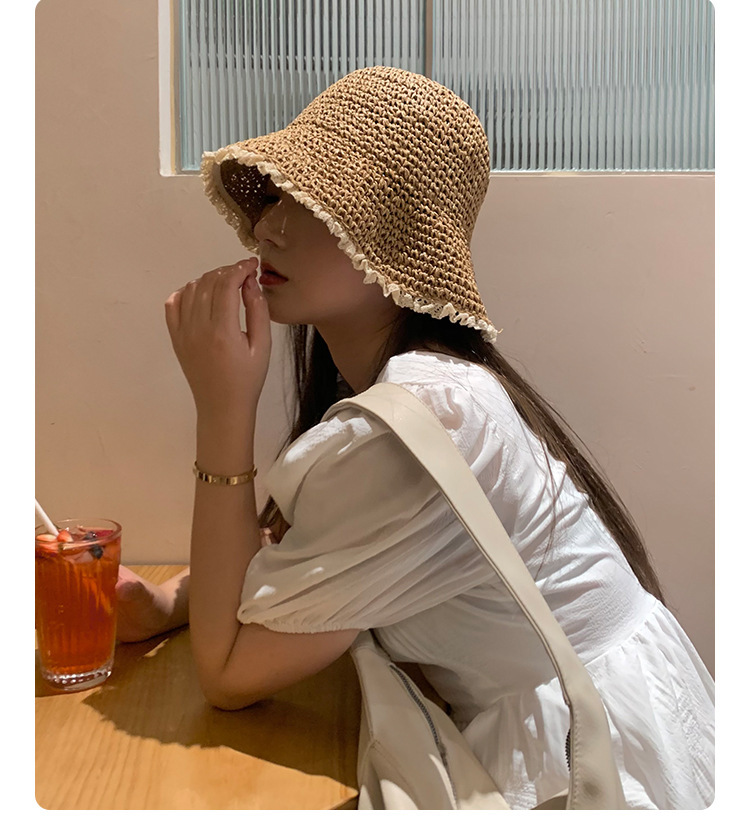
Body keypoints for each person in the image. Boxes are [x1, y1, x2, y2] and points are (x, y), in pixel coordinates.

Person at [116, 66, 714, 809]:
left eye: (313, 202)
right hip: (599, 708)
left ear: (394, 241)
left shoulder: (426, 418)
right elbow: (312, 559)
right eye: (274, 195)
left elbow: (230, 673)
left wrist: (221, 409)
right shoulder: (421, 390)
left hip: (581, 756)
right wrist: (168, 602)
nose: (268, 226)